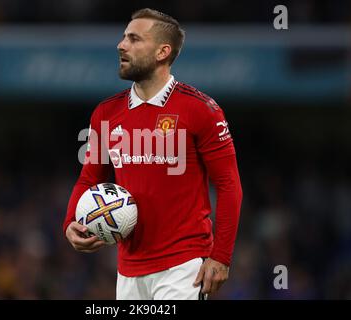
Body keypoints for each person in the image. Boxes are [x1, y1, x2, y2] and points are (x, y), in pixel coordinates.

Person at [63, 8, 243, 300]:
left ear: (162, 52)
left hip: (183, 267)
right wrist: (70, 221)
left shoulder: (201, 110)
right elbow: (89, 178)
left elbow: (229, 184)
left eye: (134, 39)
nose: (121, 45)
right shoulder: (106, 113)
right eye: (123, 38)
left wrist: (221, 256)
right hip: (128, 270)